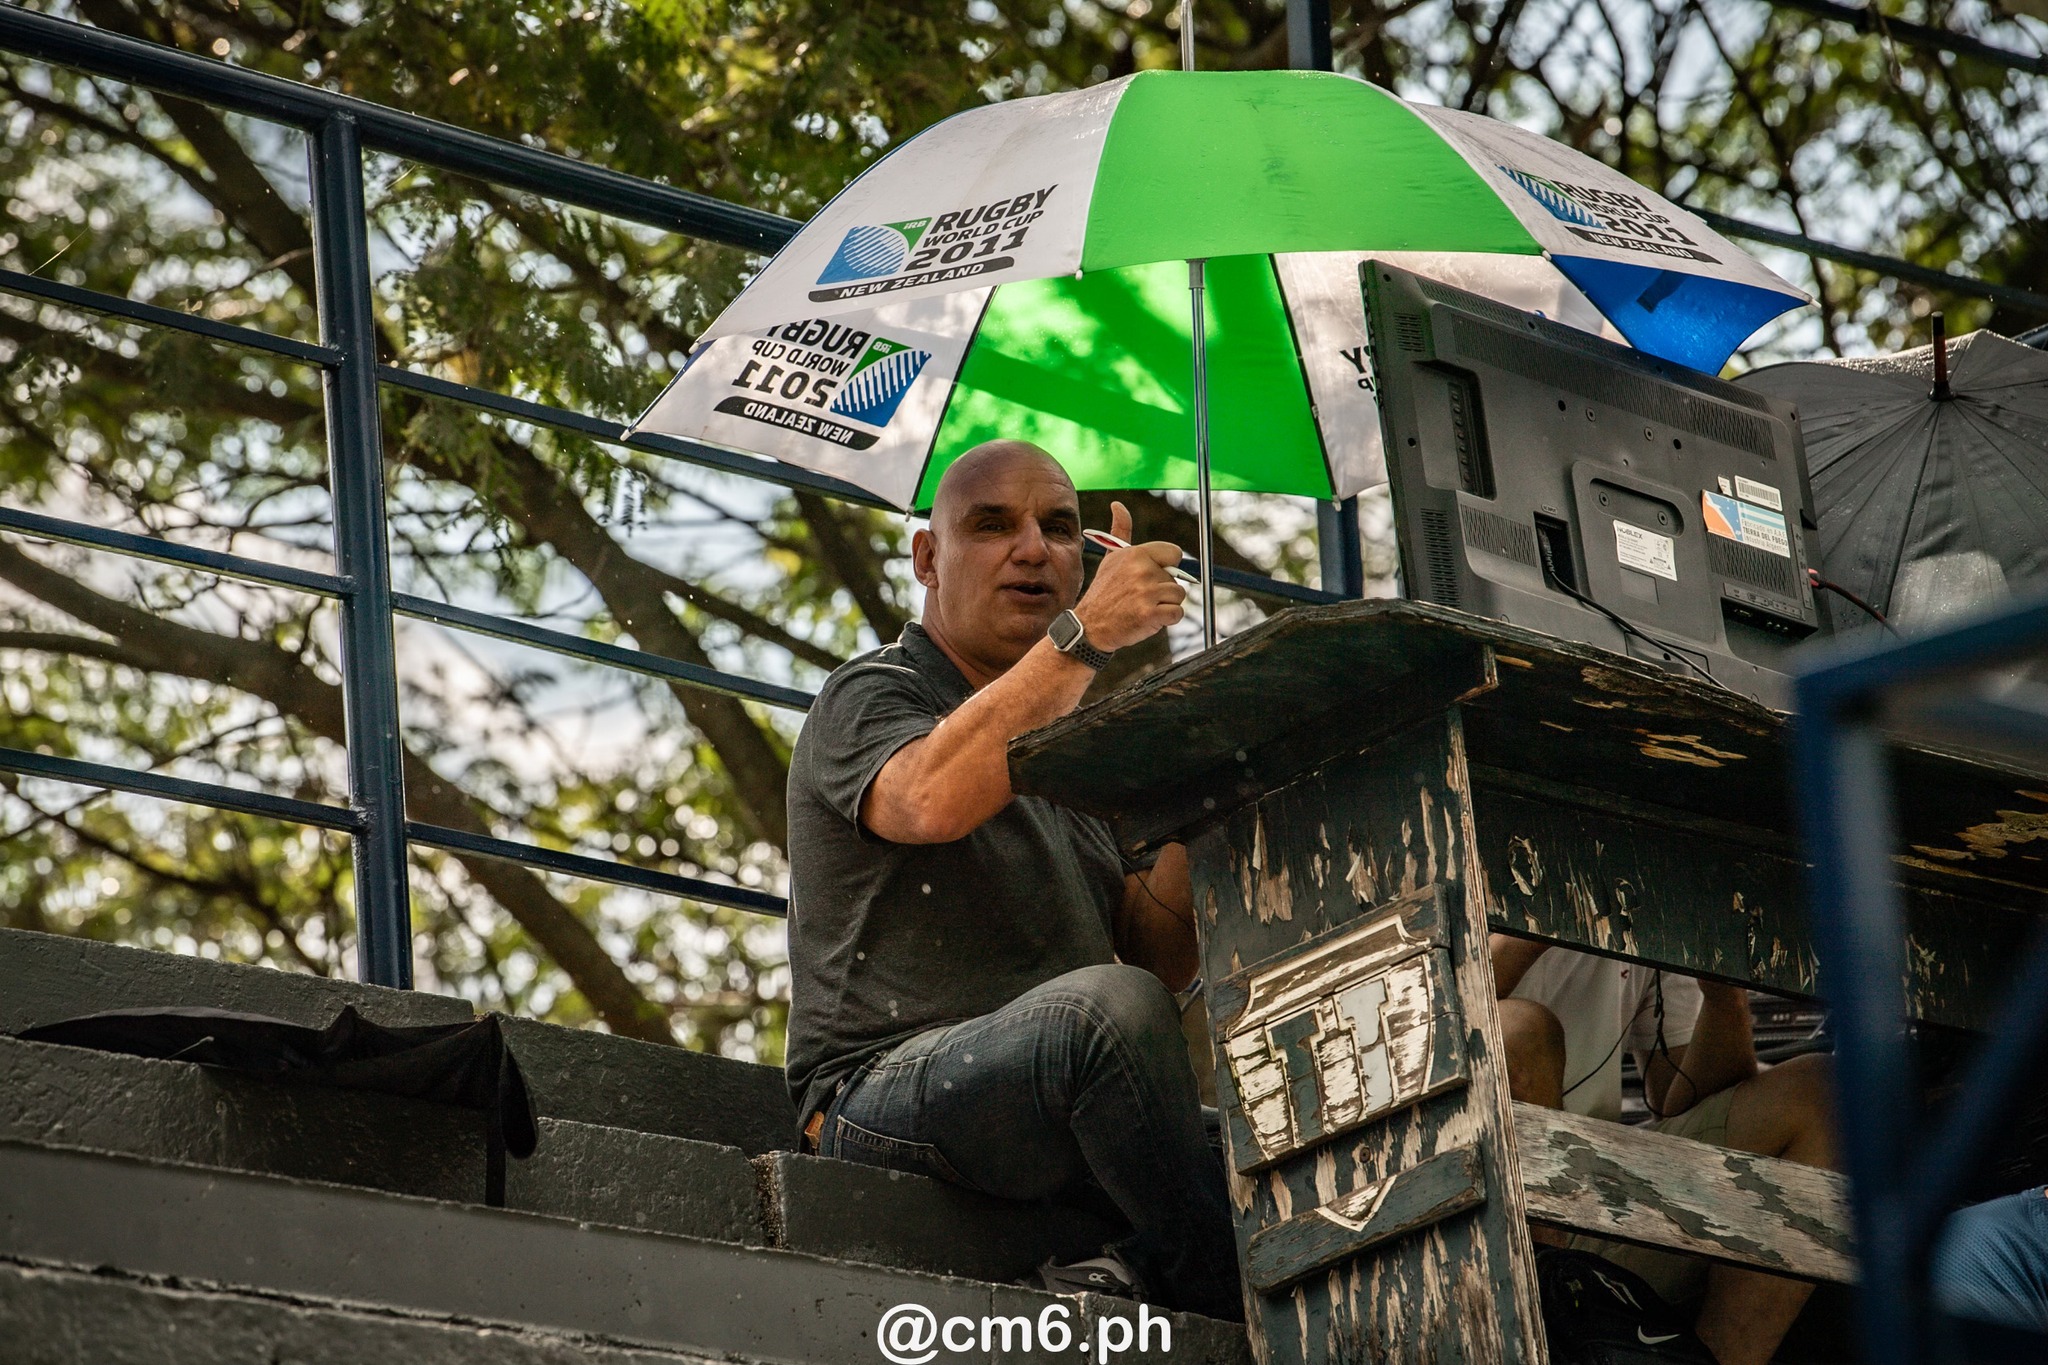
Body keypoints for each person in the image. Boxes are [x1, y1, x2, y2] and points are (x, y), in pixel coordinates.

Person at [782, 439, 1242, 1322]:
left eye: (1059, 528)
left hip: (1060, 1098)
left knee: (1309, 1124)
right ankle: (1221, 1295)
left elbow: (1160, 948)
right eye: (992, 525)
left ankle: (1145, 1268)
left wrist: (1217, 777)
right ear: (927, 558)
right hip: (873, 1097)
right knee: (1109, 1010)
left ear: (1086, 559)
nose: (1032, 548)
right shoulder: (867, 694)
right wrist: (1088, 635)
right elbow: (925, 798)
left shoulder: (1083, 742)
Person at [1493, 937, 1840, 1365]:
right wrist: (1542, 922)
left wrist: (1724, 996)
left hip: (1601, 1198)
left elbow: (1680, 1098)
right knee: (1519, 1032)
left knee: (1821, 1093)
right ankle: (1551, 1309)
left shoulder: (1649, 890)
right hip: (1486, 1225)